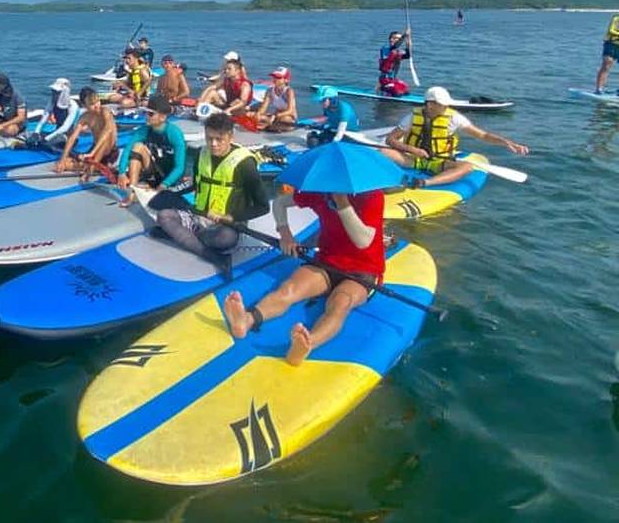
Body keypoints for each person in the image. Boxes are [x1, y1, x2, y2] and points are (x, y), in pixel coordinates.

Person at [224, 177, 388, 366]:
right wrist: (285, 233)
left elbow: (363, 241)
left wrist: (342, 203)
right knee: (288, 289)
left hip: (364, 270)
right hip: (326, 262)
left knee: (340, 302)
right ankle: (247, 319)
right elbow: (279, 203)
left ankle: (308, 343)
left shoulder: (373, 196)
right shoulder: (321, 192)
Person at [154, 113, 270, 272]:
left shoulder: (245, 164)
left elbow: (263, 206)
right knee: (164, 215)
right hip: (199, 215)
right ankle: (211, 255)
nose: (213, 144)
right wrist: (166, 190)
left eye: (219, 139)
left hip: (226, 224)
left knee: (226, 239)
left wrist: (230, 217)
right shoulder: (201, 153)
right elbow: (195, 184)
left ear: (231, 137)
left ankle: (183, 237)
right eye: (209, 138)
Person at [380, 86, 528, 187]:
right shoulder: (413, 116)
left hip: (439, 162)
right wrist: (412, 149)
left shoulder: (454, 118)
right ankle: (383, 180)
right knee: (382, 152)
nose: (446, 107)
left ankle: (425, 183)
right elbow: (390, 139)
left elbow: (483, 135)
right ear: (430, 104)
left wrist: (506, 142)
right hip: (412, 159)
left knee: (467, 167)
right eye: (442, 104)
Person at [116, 94, 188, 207]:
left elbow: (180, 167)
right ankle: (132, 193)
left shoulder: (174, 134)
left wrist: (164, 185)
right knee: (138, 146)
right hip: (156, 172)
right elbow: (127, 149)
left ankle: (153, 187)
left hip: (172, 178)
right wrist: (121, 173)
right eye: (146, 113)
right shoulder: (144, 130)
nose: (146, 116)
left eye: (151, 114)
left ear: (162, 117)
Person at [54, 86, 119, 177]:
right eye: (92, 104)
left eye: (97, 101)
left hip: (108, 151)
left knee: (105, 137)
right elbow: (72, 138)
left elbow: (107, 131)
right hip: (94, 150)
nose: (97, 105)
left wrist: (93, 153)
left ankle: (94, 166)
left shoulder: (105, 112)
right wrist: (62, 160)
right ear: (85, 106)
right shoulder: (85, 117)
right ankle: (95, 166)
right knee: (62, 163)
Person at [29, 77, 82, 147]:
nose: (54, 94)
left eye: (57, 92)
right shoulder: (52, 102)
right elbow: (44, 118)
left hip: (69, 136)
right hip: (56, 132)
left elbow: (65, 127)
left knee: (48, 144)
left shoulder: (73, 106)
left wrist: (47, 138)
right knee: (31, 139)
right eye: (53, 91)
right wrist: (36, 132)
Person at [256, 67, 297, 131]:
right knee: (254, 115)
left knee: (284, 119)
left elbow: (290, 110)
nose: (275, 79)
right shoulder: (270, 90)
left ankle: (269, 126)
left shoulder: (289, 91)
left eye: (278, 78)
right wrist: (258, 114)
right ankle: (271, 126)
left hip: (288, 117)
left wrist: (276, 115)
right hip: (275, 117)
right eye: (274, 77)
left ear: (286, 80)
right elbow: (263, 108)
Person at [378, 28, 412, 96]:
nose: (398, 39)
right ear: (391, 39)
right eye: (396, 38)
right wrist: (404, 36)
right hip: (385, 79)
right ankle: (383, 87)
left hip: (393, 79)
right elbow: (395, 46)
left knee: (406, 92)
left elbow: (407, 56)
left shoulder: (397, 52)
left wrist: (408, 44)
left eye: (398, 38)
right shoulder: (385, 49)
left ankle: (391, 87)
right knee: (398, 93)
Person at [595, 14, 619, 94]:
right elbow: (611, 30)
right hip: (611, 44)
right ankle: (599, 89)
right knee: (607, 64)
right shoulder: (616, 18)